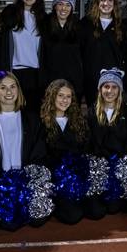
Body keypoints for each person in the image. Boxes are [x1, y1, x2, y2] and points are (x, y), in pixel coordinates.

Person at [0, 71, 47, 229]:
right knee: (8, 223)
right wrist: (2, 182)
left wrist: (27, 180)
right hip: (0, 182)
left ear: (18, 90)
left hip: (25, 182)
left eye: (13, 87)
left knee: (38, 219)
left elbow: (38, 152)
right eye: (3, 87)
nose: (9, 92)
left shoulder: (31, 119)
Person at [39, 79, 99, 224]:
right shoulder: (41, 122)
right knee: (72, 216)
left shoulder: (78, 121)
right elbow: (41, 154)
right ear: (52, 96)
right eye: (60, 95)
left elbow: (86, 147)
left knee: (96, 212)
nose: (64, 100)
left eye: (68, 96)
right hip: (56, 178)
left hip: (77, 174)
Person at [87, 68, 127, 214]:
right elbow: (88, 144)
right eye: (106, 86)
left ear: (119, 90)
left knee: (124, 208)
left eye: (114, 87)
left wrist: (124, 166)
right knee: (96, 212)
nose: (110, 91)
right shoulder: (91, 114)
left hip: (121, 168)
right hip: (100, 169)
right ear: (100, 89)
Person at [0, 0, 45, 114]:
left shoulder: (43, 18)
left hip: (35, 75)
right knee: (13, 113)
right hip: (14, 73)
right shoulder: (10, 13)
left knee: (32, 115)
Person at [79, 0, 125, 106]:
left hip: (113, 79)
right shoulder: (86, 23)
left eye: (110, 0)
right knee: (93, 113)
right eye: (103, 0)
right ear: (97, 2)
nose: (106, 3)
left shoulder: (122, 25)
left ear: (114, 4)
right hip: (91, 79)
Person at [40, 0, 83, 100]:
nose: (64, 8)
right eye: (60, 4)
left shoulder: (79, 26)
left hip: (73, 81)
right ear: (54, 6)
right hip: (50, 80)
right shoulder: (44, 24)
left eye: (68, 5)